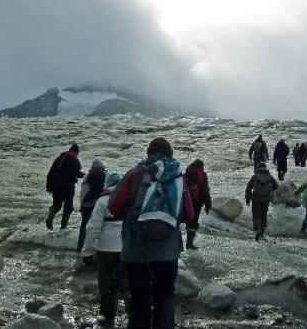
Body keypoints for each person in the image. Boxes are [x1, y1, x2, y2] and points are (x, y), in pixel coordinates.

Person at [108, 137, 194, 329]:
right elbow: (188, 214)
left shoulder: (135, 174)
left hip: (135, 251)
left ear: (148, 154)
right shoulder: (179, 178)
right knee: (164, 297)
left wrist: (134, 218)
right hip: (167, 252)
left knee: (139, 300)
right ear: (170, 155)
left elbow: (114, 206)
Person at [80, 173, 126, 327]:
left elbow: (93, 228)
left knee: (106, 284)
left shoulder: (103, 200)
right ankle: (134, 315)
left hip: (105, 249)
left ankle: (108, 316)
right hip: (126, 249)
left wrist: (87, 251)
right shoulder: (130, 198)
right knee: (127, 283)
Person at [45, 144, 84, 230]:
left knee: (57, 205)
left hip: (55, 186)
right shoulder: (74, 159)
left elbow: (50, 173)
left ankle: (49, 217)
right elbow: (76, 173)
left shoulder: (59, 159)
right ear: (76, 152)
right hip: (67, 187)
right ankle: (63, 227)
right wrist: (87, 175)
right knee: (68, 207)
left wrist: (49, 186)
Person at [77, 159, 107, 252]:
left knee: (84, 226)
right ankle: (95, 248)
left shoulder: (87, 175)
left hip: (84, 204)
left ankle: (80, 247)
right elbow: (97, 191)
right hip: (92, 204)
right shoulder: (98, 175)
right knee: (96, 226)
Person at [244, 162, 278, 241]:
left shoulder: (255, 177)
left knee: (256, 215)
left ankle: (258, 229)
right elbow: (277, 187)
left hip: (256, 199)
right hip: (266, 199)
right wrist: (271, 194)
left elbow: (248, 189)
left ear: (258, 168)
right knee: (263, 215)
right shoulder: (270, 177)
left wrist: (248, 199)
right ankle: (262, 232)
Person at [183, 159, 212, 250]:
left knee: (185, 220)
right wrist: (208, 205)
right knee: (193, 222)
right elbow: (205, 191)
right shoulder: (202, 175)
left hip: (185, 200)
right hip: (197, 201)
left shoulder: (185, 174)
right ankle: (189, 244)